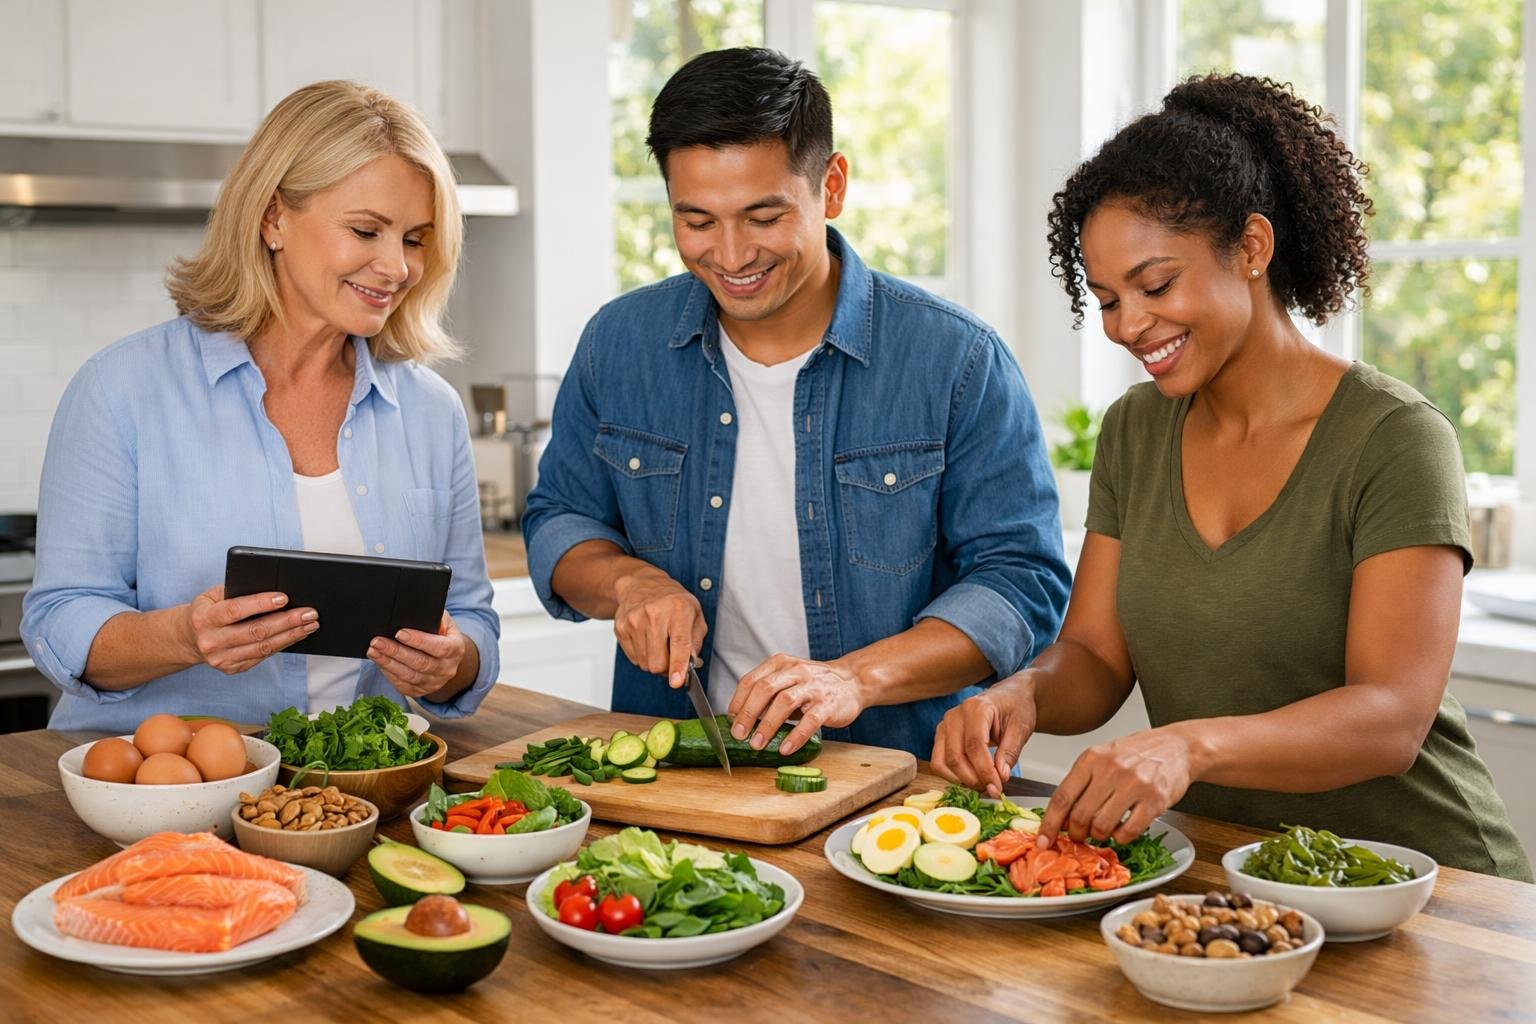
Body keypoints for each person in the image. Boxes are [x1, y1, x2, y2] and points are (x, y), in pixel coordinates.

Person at [932, 73, 1531, 879]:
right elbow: (1097, 657)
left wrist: (1189, 744)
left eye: (1155, 284)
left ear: (1251, 247)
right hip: (1228, 877)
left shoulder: (1396, 439)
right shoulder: (1135, 432)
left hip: (1425, 887)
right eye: (1105, 299)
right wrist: (1023, 693)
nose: (1129, 326)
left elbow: (1390, 720)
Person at [523, 48, 1070, 760]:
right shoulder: (619, 344)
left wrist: (854, 679)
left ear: (831, 185)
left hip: (893, 781)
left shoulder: (955, 360)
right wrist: (629, 582)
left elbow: (1021, 582)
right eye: (697, 220)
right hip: (681, 777)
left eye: (762, 216)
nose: (730, 254)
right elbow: (559, 521)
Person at [22, 80, 500, 731]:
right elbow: (59, 622)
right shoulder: (122, 390)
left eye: (415, 239)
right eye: (367, 230)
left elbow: (471, 617)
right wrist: (185, 637)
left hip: (355, 798)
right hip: (154, 797)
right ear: (274, 218)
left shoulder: (430, 412)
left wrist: (454, 661)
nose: (396, 267)